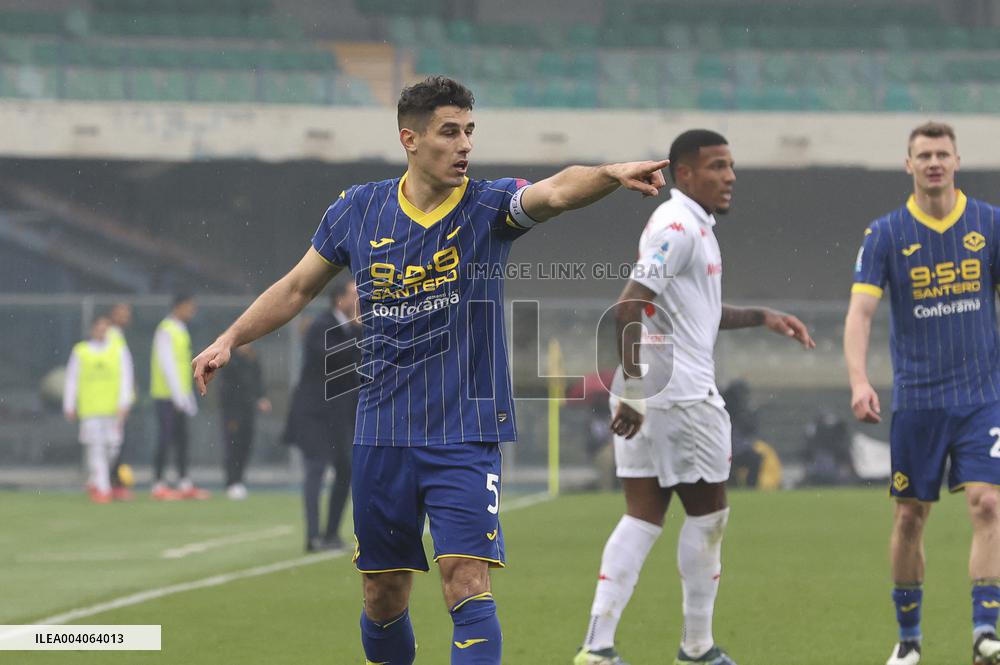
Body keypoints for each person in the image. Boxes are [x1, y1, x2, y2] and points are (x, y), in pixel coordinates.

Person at [191, 75, 669, 665]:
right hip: (383, 431)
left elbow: (555, 192)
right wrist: (230, 338)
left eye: (470, 130)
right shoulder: (357, 210)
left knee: (465, 581)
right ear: (410, 139)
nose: (465, 144)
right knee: (382, 594)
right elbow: (294, 288)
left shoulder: (489, 206)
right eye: (450, 131)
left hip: (465, 430)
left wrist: (608, 174)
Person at [575, 129, 815, 665]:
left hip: (652, 394)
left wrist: (761, 317)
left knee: (641, 517)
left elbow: (692, 310)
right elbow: (628, 306)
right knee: (708, 519)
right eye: (718, 166)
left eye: (731, 166)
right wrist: (635, 390)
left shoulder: (687, 226)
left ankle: (598, 646)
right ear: (684, 173)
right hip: (678, 397)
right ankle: (697, 648)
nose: (730, 177)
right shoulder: (680, 226)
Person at [844, 121, 1000, 665]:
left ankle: (985, 631)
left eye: (942, 154)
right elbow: (860, 313)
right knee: (909, 518)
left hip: (984, 395)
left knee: (988, 503)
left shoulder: (990, 225)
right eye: (923, 155)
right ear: (907, 165)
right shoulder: (885, 234)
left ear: (957, 161)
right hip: (918, 401)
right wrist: (860, 379)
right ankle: (909, 641)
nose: (934, 162)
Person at [285, 279, 359, 551]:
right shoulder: (322, 325)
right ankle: (313, 536)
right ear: (339, 300)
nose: (360, 299)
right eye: (354, 294)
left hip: (339, 415)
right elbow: (332, 359)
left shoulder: (353, 329)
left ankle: (331, 534)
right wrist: (356, 333)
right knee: (315, 469)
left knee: (345, 469)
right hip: (314, 414)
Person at [63, 315, 134, 503]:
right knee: (96, 448)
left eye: (106, 328)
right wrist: (69, 404)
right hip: (90, 410)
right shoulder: (81, 351)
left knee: (112, 447)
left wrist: (124, 403)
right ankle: (103, 489)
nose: (102, 331)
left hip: (112, 409)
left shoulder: (118, 350)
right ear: (93, 329)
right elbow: (72, 378)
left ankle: (95, 480)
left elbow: (126, 377)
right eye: (99, 327)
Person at [150, 293, 208, 500]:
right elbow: (167, 365)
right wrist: (177, 396)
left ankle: (184, 482)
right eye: (189, 307)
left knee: (182, 439)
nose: (192, 312)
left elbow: (181, 366)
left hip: (180, 395)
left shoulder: (181, 330)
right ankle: (158, 484)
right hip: (167, 396)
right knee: (165, 439)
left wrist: (187, 396)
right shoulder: (166, 330)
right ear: (178, 306)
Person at [218, 342, 270, 500]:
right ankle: (231, 482)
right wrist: (231, 416)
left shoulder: (253, 360)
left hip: (249, 411)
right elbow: (225, 390)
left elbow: (258, 383)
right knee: (233, 447)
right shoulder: (230, 361)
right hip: (233, 413)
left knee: (245, 446)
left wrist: (261, 398)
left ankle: (239, 480)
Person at [106, 302, 136, 500]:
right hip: (112, 402)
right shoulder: (109, 336)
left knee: (117, 443)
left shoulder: (118, 335)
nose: (126, 317)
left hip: (120, 400)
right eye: (122, 313)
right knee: (111, 444)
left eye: (128, 313)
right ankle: (111, 483)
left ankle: (113, 482)